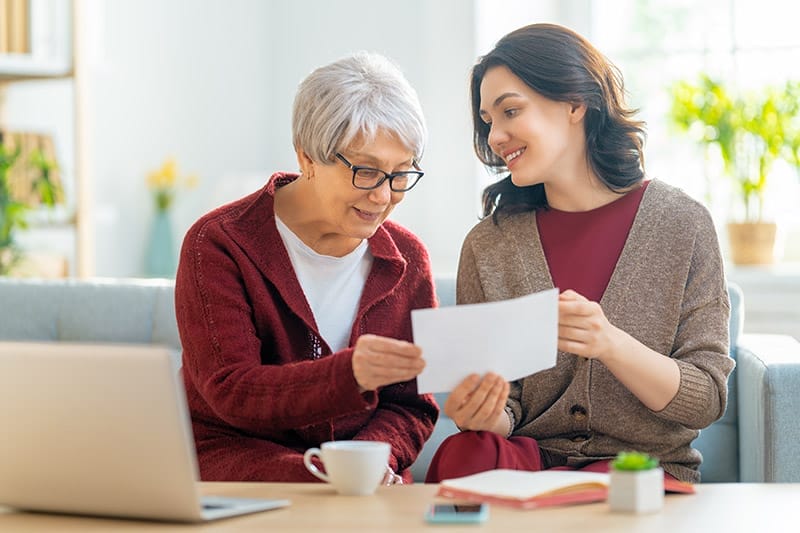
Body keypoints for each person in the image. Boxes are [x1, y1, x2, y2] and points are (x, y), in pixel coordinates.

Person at [425, 23, 734, 484]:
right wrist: (483, 413)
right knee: (463, 452)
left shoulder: (682, 224)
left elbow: (705, 398)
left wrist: (608, 342)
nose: (495, 137)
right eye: (488, 121)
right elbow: (506, 408)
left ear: (575, 102)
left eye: (510, 111)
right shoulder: (489, 246)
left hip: (638, 468)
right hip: (526, 463)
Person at [175, 52, 439, 483]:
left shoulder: (407, 259)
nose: (383, 196)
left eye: (401, 174)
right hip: (243, 463)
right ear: (307, 157)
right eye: (367, 171)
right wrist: (349, 374)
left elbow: (410, 405)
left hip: (364, 479)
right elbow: (231, 389)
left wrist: (371, 461)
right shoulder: (218, 244)